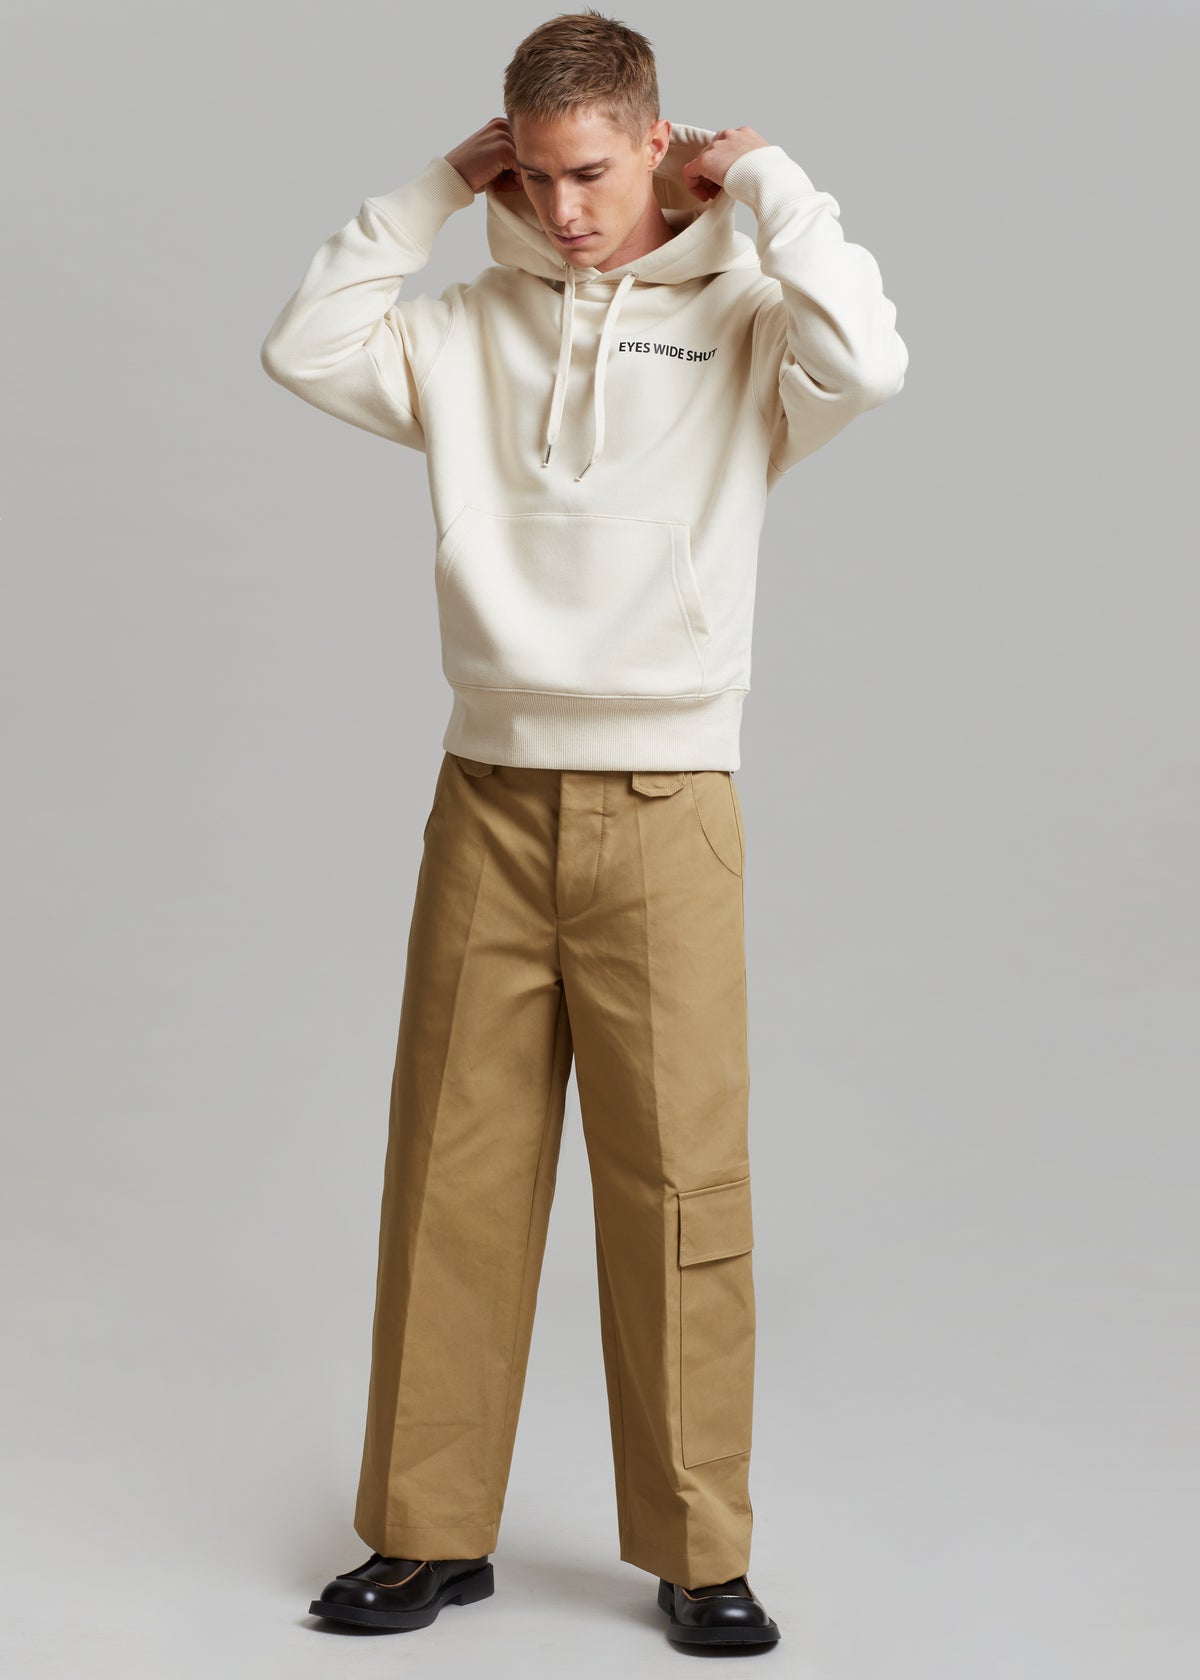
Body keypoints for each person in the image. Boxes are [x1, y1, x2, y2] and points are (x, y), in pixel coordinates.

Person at [260, 8, 907, 1650]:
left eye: (595, 173)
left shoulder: (747, 323)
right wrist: (428, 192)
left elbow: (872, 363)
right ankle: (426, 1535)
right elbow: (306, 347)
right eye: (536, 176)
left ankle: (701, 1552)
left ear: (658, 142)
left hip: (669, 804)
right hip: (487, 797)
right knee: (451, 1177)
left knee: (682, 1187)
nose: (564, 210)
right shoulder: (470, 325)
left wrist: (773, 183)